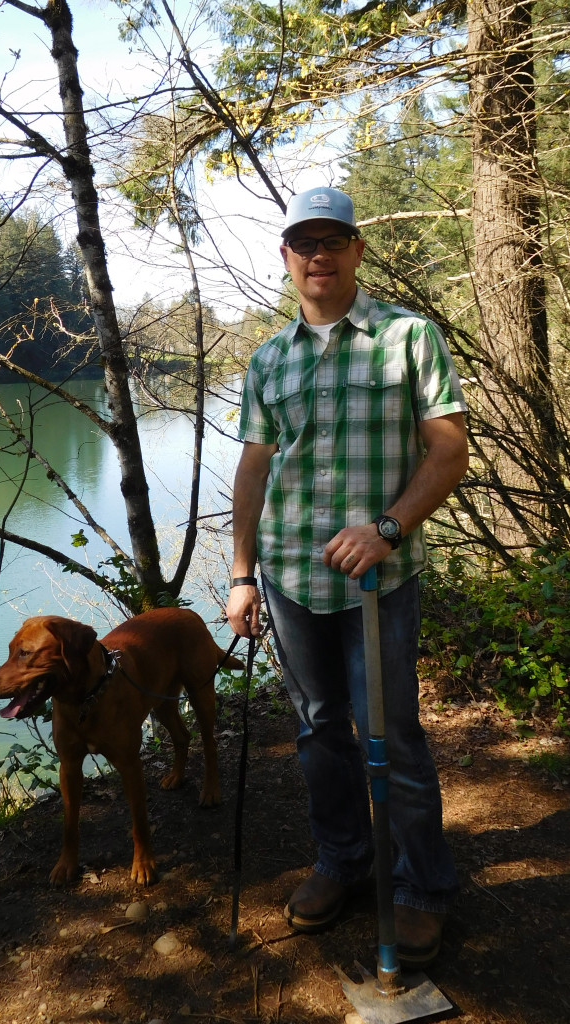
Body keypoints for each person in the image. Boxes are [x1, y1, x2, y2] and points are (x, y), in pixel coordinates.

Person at [225, 186, 469, 967]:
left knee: (391, 734)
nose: (318, 255)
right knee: (317, 731)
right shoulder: (268, 358)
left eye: (333, 241)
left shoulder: (407, 337)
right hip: (291, 579)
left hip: (379, 580)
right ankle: (342, 861)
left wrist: (388, 529)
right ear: (287, 257)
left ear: (357, 251)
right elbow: (254, 470)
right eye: (304, 243)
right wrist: (240, 574)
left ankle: (419, 888)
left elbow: (448, 450)